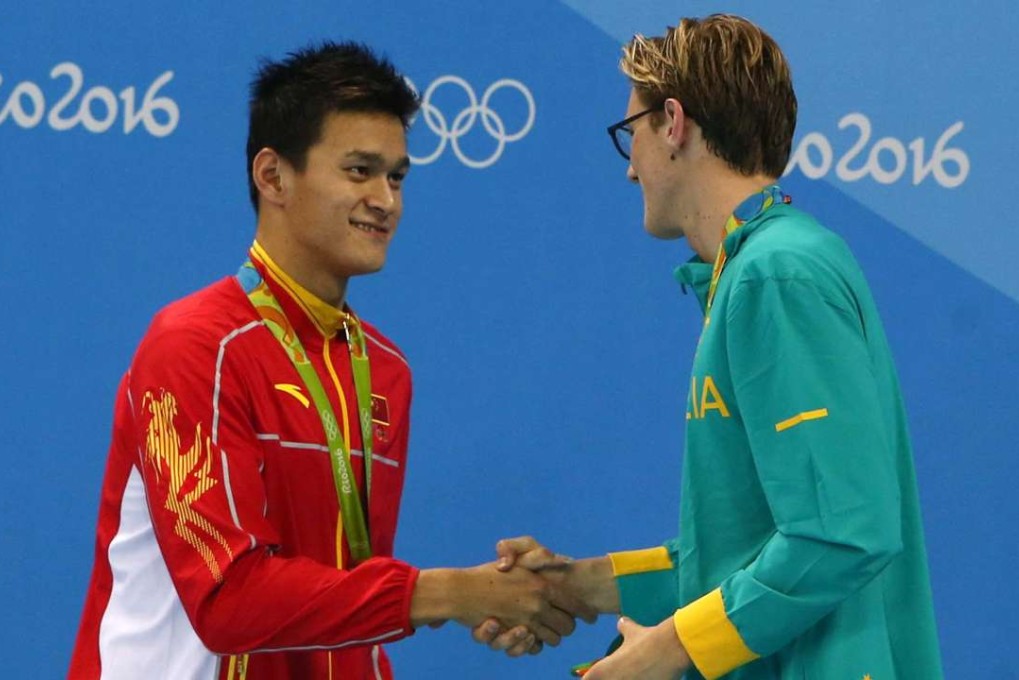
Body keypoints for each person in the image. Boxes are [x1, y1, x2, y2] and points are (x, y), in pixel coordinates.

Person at [68, 41, 590, 680]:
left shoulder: (384, 369)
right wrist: (454, 593)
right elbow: (228, 601)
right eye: (358, 170)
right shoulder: (196, 346)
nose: (386, 200)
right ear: (273, 176)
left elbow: (348, 597)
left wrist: (504, 598)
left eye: (396, 176)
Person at [481, 14, 943, 680]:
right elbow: (745, 553)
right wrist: (576, 585)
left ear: (674, 123)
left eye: (630, 135)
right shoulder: (755, 269)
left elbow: (841, 536)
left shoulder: (777, 273)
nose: (630, 167)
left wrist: (657, 656)